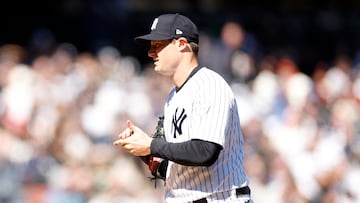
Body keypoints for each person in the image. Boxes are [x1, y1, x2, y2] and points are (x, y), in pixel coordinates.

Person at [113, 13, 253, 203]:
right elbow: (176, 170)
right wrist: (144, 151)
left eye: (158, 45)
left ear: (181, 43)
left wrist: (151, 145)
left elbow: (205, 151)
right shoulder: (174, 96)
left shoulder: (210, 85)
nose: (150, 52)